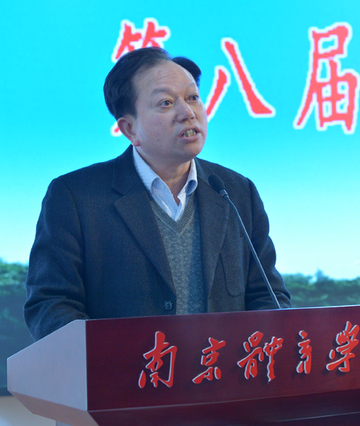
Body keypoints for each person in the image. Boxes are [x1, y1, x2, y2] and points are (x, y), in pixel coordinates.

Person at [24, 47, 291, 340]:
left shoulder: (236, 191)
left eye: (193, 98)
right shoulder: (76, 198)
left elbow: (268, 296)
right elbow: (51, 305)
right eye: (166, 103)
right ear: (130, 129)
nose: (188, 113)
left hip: (223, 369)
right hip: (124, 369)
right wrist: (106, 358)